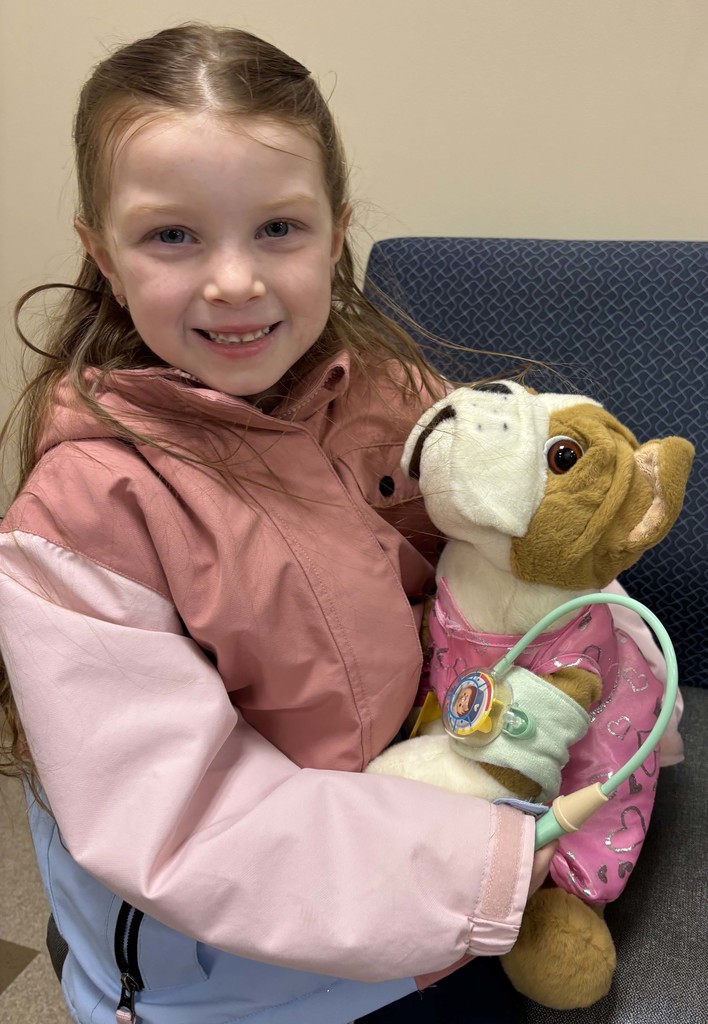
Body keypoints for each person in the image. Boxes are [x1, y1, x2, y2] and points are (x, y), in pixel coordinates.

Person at [0, 24, 679, 1024]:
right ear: (102, 253)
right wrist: (484, 860)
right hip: (250, 982)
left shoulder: (395, 395)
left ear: (335, 232)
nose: (236, 281)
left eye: (278, 228)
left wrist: (607, 682)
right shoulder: (88, 515)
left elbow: (523, 560)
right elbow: (187, 825)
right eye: (173, 235)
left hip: (449, 901)